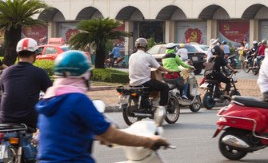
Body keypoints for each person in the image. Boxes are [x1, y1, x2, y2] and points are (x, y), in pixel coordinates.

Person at [37, 51, 170, 163]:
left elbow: (65, 130)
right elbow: (110, 134)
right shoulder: (77, 99)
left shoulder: (48, 99)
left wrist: (96, 135)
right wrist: (148, 141)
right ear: (84, 75)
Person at [0, 38, 52, 129]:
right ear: (34, 54)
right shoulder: (39, 72)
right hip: (29, 121)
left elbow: (4, 91)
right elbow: (51, 94)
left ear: (17, 53)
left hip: (5, 119)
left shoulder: (6, 72)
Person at [128, 37, 170, 108]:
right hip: (144, 82)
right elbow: (158, 67)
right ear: (146, 46)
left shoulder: (131, 56)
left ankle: (145, 104)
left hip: (132, 82)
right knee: (165, 87)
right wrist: (168, 71)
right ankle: (162, 107)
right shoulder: (148, 56)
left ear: (136, 46)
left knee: (148, 88)